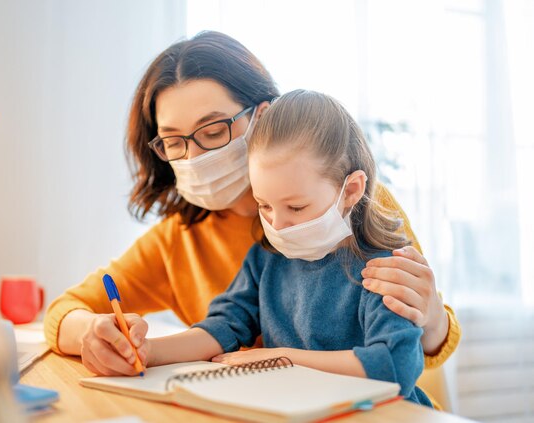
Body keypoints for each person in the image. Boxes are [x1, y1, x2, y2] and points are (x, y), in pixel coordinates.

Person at [44, 31, 460, 393]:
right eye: (173, 141)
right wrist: (116, 343)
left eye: (212, 131)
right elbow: (70, 310)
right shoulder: (223, 246)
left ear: (261, 117)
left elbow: (409, 357)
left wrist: (433, 318)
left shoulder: (360, 213)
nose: (194, 156)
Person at [111, 89, 433, 406]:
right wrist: (147, 351)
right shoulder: (266, 260)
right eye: (264, 206)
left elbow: (395, 365)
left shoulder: (383, 268)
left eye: (295, 208)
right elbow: (222, 327)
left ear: (350, 191)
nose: (277, 225)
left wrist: (282, 359)